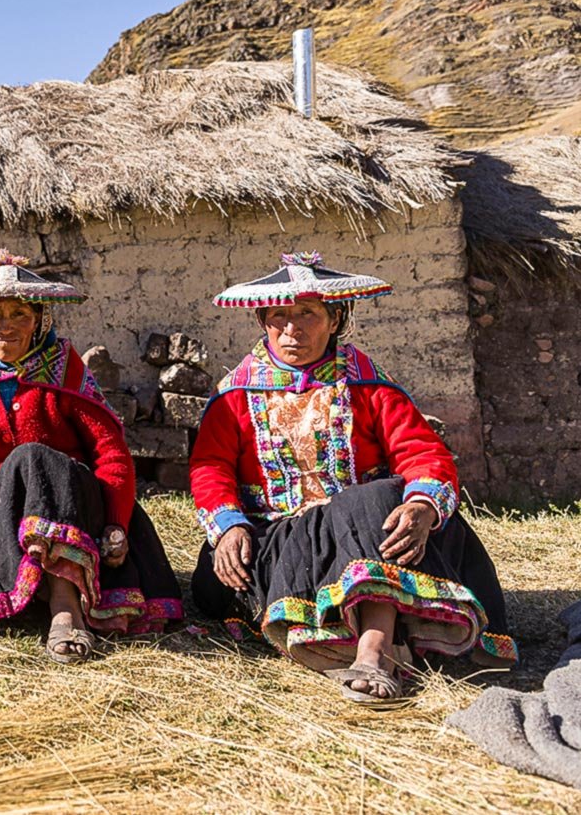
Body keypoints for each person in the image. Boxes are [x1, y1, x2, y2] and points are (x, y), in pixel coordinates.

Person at [190, 251, 515, 703]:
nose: (292, 329)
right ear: (262, 320)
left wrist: (421, 506)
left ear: (336, 318)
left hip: (367, 530)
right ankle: (369, 635)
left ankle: (374, 652)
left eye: (308, 313)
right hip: (284, 534)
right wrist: (228, 527)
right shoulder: (236, 396)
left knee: (373, 501)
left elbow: (422, 453)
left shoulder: (368, 386)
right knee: (218, 582)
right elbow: (210, 468)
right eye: (279, 316)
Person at [0, 250, 182, 663]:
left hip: (68, 504)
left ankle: (65, 604)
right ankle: (26, 591)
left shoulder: (64, 369)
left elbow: (111, 455)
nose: (6, 326)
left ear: (40, 320)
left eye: (20, 314)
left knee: (32, 458)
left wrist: (116, 523)